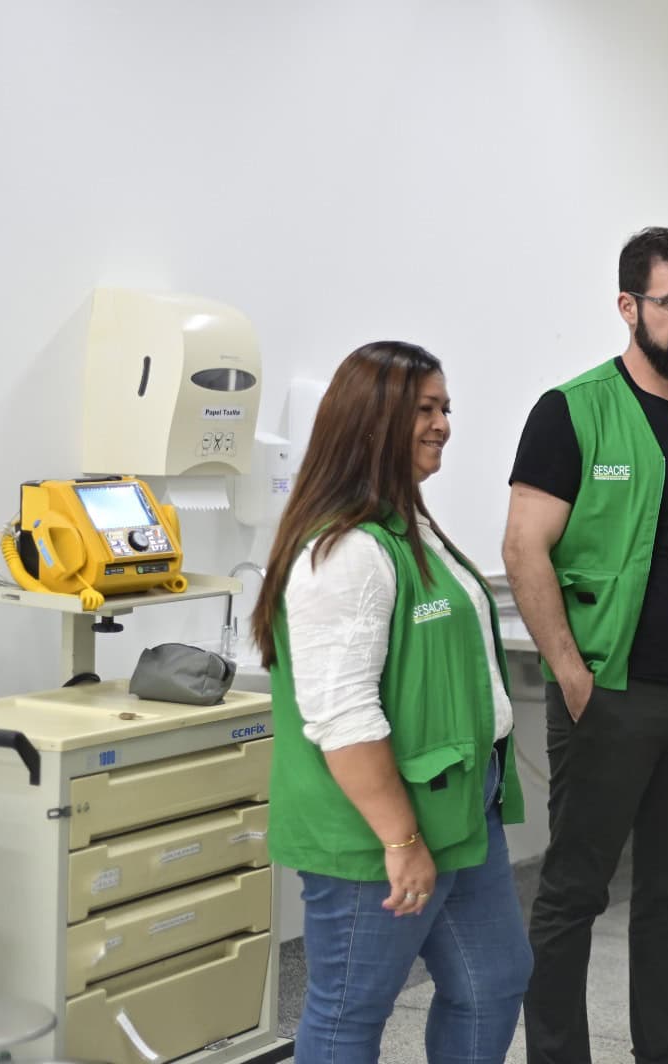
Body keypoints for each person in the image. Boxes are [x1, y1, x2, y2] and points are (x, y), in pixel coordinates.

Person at [503, 227, 668, 1064]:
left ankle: (666, 1051)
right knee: (573, 893)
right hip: (613, 694)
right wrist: (572, 674)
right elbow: (523, 546)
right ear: (629, 306)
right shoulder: (571, 410)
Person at [251, 341, 531, 1064]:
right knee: (351, 1010)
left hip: (458, 807)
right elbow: (342, 716)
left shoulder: (410, 526)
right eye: (424, 410)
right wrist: (402, 841)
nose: (443, 425)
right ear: (372, 423)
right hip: (378, 830)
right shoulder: (344, 552)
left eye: (445, 408)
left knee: (493, 981)